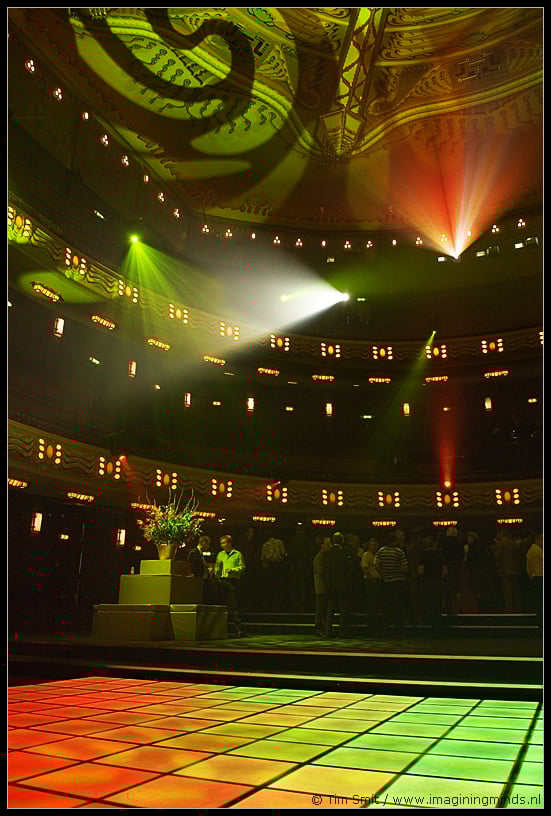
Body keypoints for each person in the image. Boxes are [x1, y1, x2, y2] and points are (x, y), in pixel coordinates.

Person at [374, 532, 408, 635]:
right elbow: (405, 568)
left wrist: (383, 574)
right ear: (395, 540)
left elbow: (376, 564)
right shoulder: (399, 552)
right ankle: (398, 629)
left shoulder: (381, 551)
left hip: (387, 581)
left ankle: (385, 629)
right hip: (398, 581)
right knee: (398, 606)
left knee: (387, 606)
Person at [324, 531, 354, 638]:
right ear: (342, 541)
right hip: (342, 584)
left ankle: (328, 630)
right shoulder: (344, 553)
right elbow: (349, 569)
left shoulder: (327, 553)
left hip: (330, 583)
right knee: (343, 608)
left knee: (330, 608)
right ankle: (342, 631)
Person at [215, 534, 246, 636]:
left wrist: (232, 570)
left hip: (233, 581)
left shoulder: (237, 554)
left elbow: (242, 567)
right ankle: (222, 629)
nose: (222, 545)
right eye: (221, 543)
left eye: (224, 543)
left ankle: (238, 629)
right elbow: (217, 567)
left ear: (229, 543)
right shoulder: (220, 554)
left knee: (234, 605)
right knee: (222, 604)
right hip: (222, 581)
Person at [417, 532, 447, 636]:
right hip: (438, 581)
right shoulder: (440, 555)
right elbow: (445, 570)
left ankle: (432, 627)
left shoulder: (424, 555)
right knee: (437, 604)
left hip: (428, 581)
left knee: (430, 604)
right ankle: (438, 627)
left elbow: (420, 570)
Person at [494, 528, 521, 612]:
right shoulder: (514, 544)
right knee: (516, 592)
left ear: (500, 534)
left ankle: (509, 610)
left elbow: (496, 557)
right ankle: (518, 609)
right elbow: (518, 557)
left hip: (504, 571)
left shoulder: (500, 544)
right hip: (514, 571)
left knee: (507, 593)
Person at [261, 535, 287, 611]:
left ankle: (269, 603)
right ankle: (278, 603)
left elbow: (263, 558)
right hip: (278, 565)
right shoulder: (279, 542)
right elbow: (283, 553)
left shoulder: (265, 544)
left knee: (269, 585)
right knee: (278, 585)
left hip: (269, 566)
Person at [361, 537, 381, 636]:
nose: (374, 547)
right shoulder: (366, 555)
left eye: (376, 545)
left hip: (377, 580)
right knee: (371, 603)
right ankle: (370, 627)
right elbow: (364, 568)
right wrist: (371, 578)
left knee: (375, 603)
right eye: (372, 545)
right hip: (369, 581)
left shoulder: (378, 555)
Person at [313, 536, 331, 636]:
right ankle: (318, 627)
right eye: (328, 544)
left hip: (323, 586)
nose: (329, 546)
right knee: (320, 607)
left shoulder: (324, 556)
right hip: (321, 587)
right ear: (322, 545)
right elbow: (320, 572)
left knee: (323, 608)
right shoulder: (319, 557)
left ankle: (322, 627)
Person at [526, 533, 543, 630]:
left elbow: (529, 569)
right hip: (540, 577)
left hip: (535, 577)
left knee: (539, 602)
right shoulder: (538, 550)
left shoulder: (530, 551)